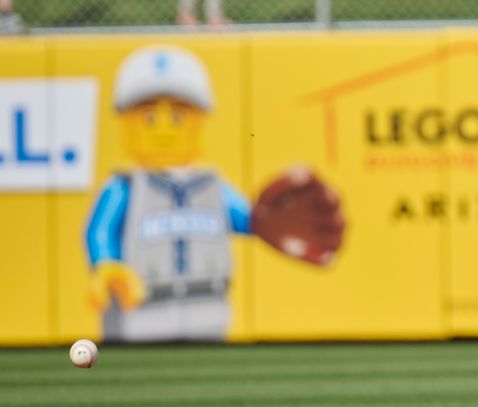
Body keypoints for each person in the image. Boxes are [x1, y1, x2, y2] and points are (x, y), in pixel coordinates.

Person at [85, 45, 344, 342]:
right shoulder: (124, 186)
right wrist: (105, 264)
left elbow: (247, 219)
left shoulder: (210, 187)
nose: (165, 129)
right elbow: (100, 232)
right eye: (149, 117)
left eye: (179, 115)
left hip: (208, 306)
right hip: (140, 308)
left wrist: (266, 222)